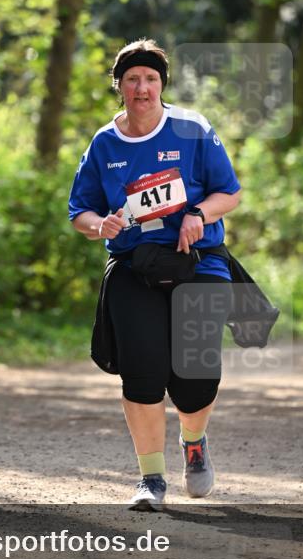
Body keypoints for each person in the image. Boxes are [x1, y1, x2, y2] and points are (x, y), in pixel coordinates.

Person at [68, 39, 241, 510]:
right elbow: (79, 210)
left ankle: (193, 441)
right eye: (132, 79)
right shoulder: (105, 143)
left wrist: (199, 214)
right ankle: (151, 479)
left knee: (196, 377)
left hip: (199, 260)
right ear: (119, 86)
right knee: (142, 372)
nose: (142, 87)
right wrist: (98, 225)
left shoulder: (191, 128)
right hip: (133, 265)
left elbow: (229, 192)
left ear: (161, 85)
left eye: (150, 79)